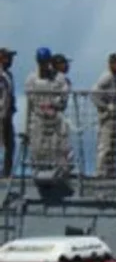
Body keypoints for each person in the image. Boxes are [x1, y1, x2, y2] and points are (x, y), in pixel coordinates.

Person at [25, 47, 69, 175]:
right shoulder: (31, 79)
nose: (43, 65)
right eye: (41, 62)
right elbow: (30, 101)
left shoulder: (59, 78)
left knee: (56, 147)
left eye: (45, 62)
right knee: (37, 148)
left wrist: (53, 104)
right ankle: (38, 171)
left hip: (54, 119)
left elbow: (64, 96)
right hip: (38, 119)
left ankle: (57, 172)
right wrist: (27, 128)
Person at [90, 53, 116, 178]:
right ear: (111, 63)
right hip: (107, 118)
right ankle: (100, 173)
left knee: (114, 147)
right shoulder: (107, 77)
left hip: (115, 116)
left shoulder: (115, 78)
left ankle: (111, 172)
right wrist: (105, 107)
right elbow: (94, 94)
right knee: (105, 146)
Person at [0, 48, 15, 177]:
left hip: (7, 115)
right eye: (7, 57)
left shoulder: (8, 75)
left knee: (10, 144)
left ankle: (6, 172)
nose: (10, 60)